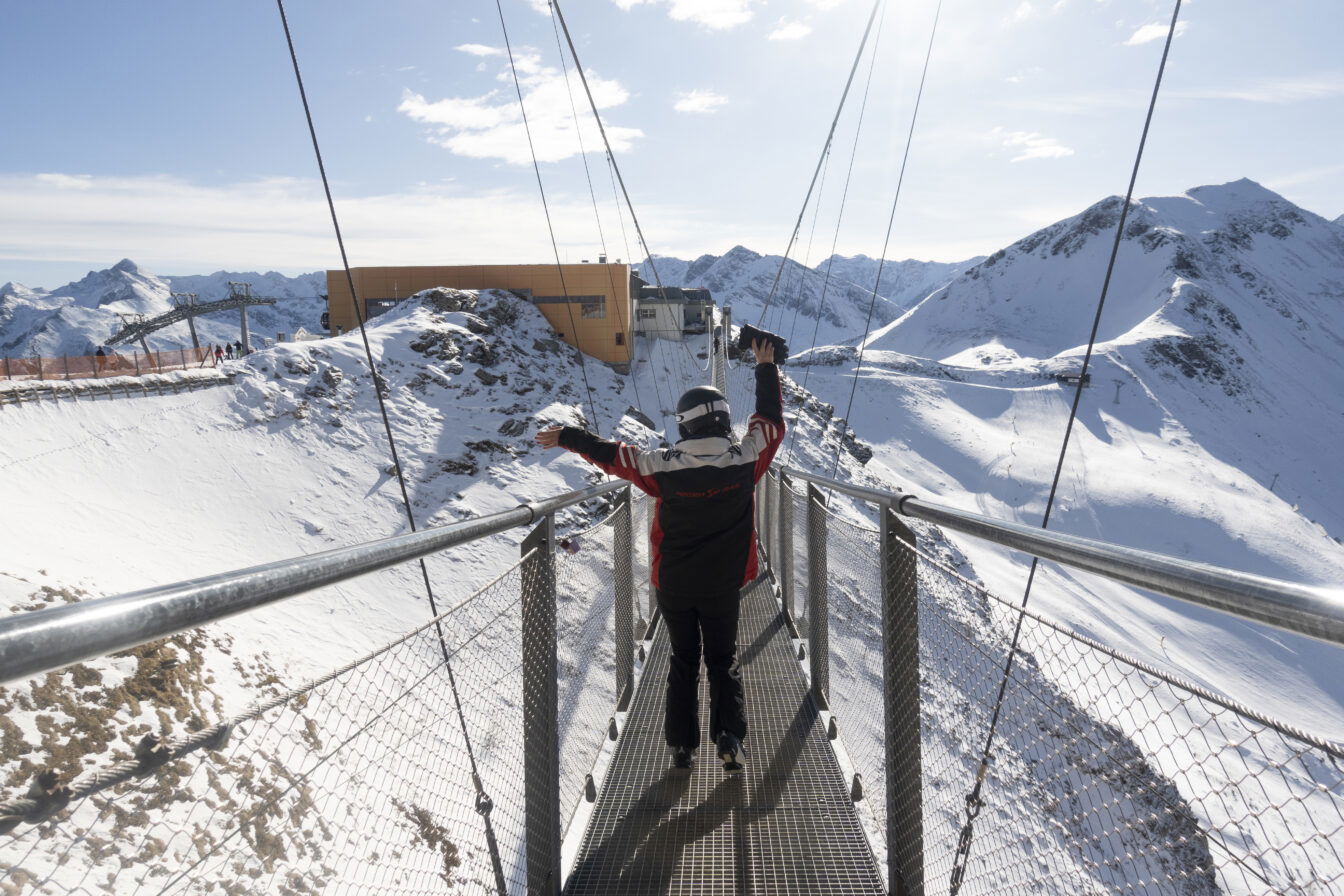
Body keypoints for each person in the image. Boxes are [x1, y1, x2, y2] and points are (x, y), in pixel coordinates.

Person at [535, 338, 784, 772]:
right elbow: (771, 423)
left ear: (684, 426)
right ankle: (729, 735)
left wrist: (570, 436)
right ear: (725, 420)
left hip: (674, 583)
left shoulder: (659, 466)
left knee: (683, 658)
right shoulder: (746, 459)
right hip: (723, 581)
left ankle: (681, 747)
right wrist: (765, 368)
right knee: (722, 659)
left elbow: (613, 456)